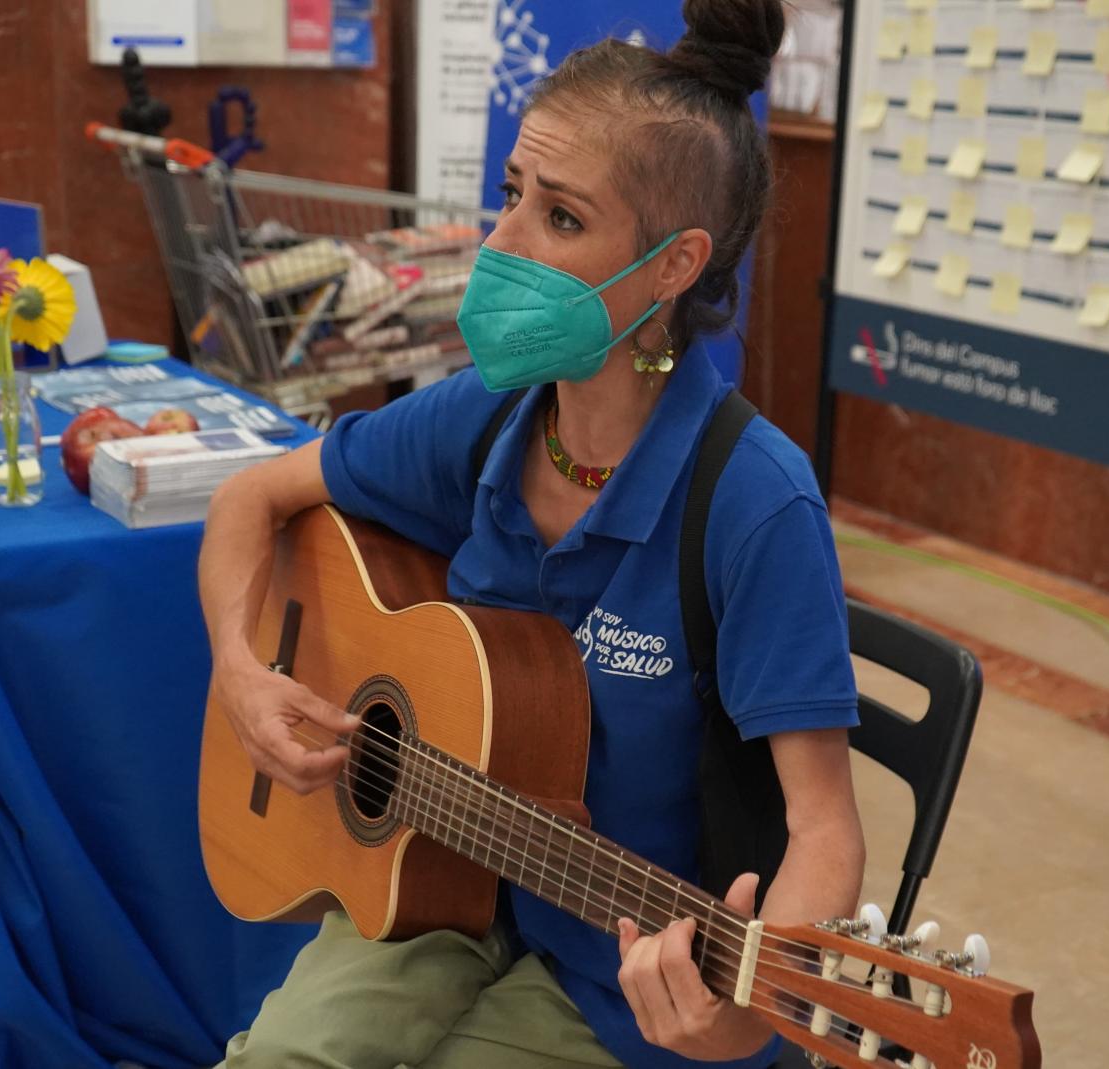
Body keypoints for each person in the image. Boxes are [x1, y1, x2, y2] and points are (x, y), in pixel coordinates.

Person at [197, 2, 864, 1065]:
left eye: (559, 218)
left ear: (671, 265)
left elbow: (825, 827)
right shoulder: (494, 416)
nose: (498, 242)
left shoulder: (754, 502)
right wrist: (239, 666)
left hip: (625, 977)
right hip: (444, 887)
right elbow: (250, 501)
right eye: (511, 195)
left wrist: (743, 1007)